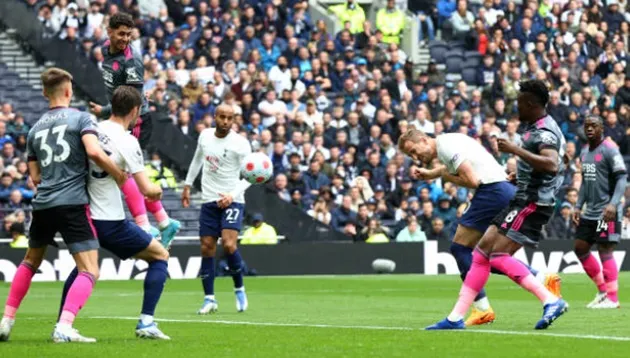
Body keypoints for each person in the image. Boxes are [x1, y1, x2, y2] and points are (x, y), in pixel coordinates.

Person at [426, 79, 568, 330]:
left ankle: (550, 299)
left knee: (498, 255)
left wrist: (515, 150)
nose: (516, 108)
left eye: (519, 104)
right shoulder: (545, 126)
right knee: (481, 255)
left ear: (530, 103)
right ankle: (455, 318)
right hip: (523, 194)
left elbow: (552, 164)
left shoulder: (542, 132)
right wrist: (521, 174)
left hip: (532, 201)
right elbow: (558, 162)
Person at [0, 68, 126, 343]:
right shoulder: (81, 118)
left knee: (30, 261)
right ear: (68, 91)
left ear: (45, 93)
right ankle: (64, 327)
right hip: (71, 203)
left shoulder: (34, 129)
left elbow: (34, 177)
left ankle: (6, 320)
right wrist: (117, 173)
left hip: (43, 203)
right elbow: (93, 151)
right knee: (89, 269)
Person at [398, 127, 560, 326]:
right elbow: (457, 169)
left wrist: (445, 177)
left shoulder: (447, 147)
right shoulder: (448, 141)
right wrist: (432, 173)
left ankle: (481, 308)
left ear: (423, 139)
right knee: (486, 256)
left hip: (491, 192)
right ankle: (541, 280)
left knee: (462, 249)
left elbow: (473, 180)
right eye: (410, 155)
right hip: (502, 189)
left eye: (414, 150)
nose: (415, 156)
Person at [57, 86, 170, 339]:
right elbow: (146, 190)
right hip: (109, 220)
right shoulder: (128, 141)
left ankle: (62, 324)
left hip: (82, 214)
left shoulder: (90, 128)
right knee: (160, 256)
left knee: (82, 270)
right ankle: (146, 323)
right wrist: (158, 190)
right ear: (135, 110)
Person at [88, 12, 180, 247]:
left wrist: (104, 111)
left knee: (124, 171)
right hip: (120, 115)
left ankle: (145, 224)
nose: (125, 39)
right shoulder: (105, 49)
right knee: (121, 170)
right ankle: (162, 221)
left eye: (129, 34)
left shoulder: (131, 60)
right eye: (121, 34)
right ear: (109, 32)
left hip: (135, 119)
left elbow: (132, 99)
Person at [182, 104, 252, 314]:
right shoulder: (204, 136)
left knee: (229, 245)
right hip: (209, 199)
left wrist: (232, 195)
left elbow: (250, 175)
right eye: (221, 117)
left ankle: (239, 288)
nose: (225, 121)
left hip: (233, 199)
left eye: (229, 118)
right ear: (215, 117)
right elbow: (197, 160)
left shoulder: (240, 144)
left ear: (234, 120)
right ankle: (209, 299)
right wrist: (187, 184)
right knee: (206, 247)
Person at [573, 115, 627, 309]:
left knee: (605, 249)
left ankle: (613, 298)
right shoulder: (584, 151)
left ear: (601, 128)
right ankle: (603, 291)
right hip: (590, 212)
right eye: (587, 126)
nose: (589, 129)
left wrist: (613, 204)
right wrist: (578, 206)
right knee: (580, 248)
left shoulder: (610, 150)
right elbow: (586, 184)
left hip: (607, 212)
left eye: (593, 126)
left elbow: (622, 178)